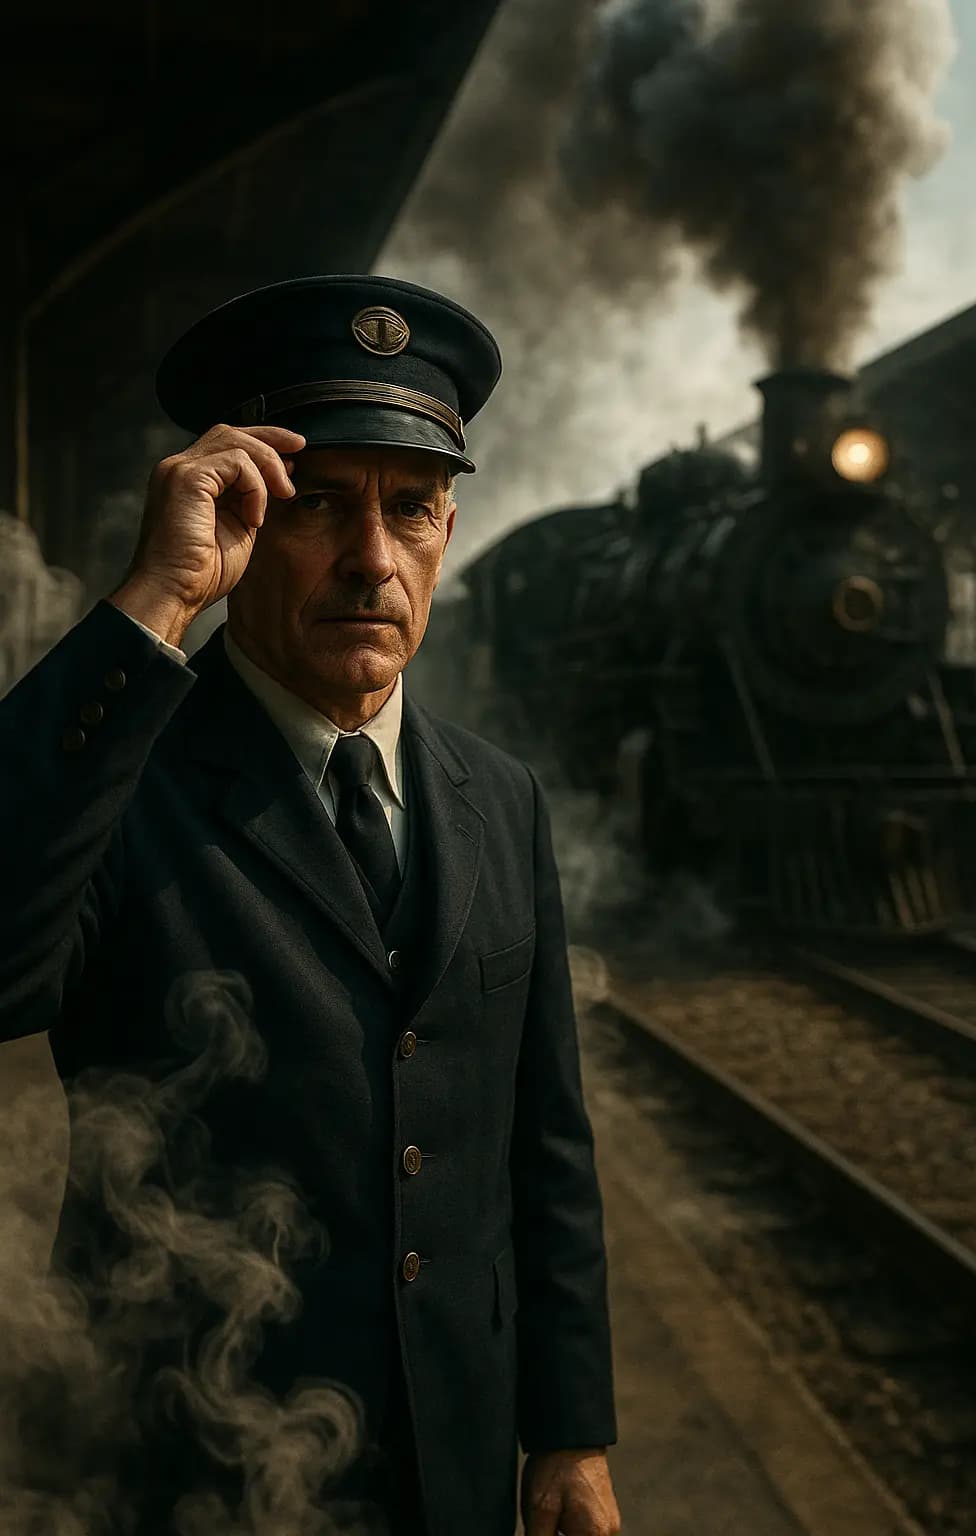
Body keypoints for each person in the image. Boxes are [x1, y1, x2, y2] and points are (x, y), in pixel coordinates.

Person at [0, 275, 620, 1536]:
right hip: (186, 1453)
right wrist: (152, 602)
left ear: (448, 529)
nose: (372, 559)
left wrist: (570, 1433)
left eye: (413, 508)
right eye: (320, 505)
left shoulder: (500, 800)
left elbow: (544, 1150)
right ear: (234, 516)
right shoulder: (120, 777)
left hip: (454, 1448)